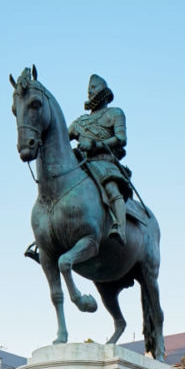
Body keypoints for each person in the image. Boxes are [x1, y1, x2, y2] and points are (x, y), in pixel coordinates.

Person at [69, 74, 131, 245]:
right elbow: (61, 137)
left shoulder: (115, 113)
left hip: (105, 162)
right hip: (81, 165)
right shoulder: (80, 122)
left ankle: (120, 227)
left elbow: (121, 139)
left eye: (94, 87)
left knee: (111, 189)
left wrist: (95, 145)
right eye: (89, 89)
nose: (90, 91)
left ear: (103, 90)